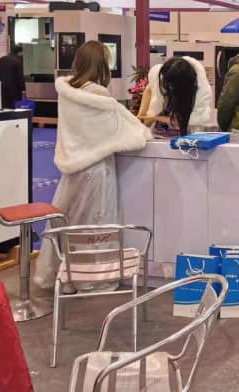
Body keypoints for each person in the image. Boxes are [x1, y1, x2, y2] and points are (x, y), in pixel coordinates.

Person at [34, 41, 151, 289]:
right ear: (101, 66)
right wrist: (143, 133)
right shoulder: (99, 96)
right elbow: (125, 131)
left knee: (68, 223)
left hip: (72, 170)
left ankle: (64, 278)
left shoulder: (66, 92)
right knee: (96, 227)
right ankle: (93, 280)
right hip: (97, 169)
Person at [138, 55, 215, 135]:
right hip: (161, 133)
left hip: (189, 133)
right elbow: (150, 88)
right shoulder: (162, 73)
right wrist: (141, 115)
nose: (170, 87)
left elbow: (189, 121)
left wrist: (154, 118)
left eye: (172, 86)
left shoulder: (202, 92)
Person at [0, 44, 25, 109]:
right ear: (19, 52)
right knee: (12, 109)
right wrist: (23, 88)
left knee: (4, 108)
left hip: (1, 89)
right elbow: (20, 77)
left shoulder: (2, 59)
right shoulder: (17, 61)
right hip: (13, 91)